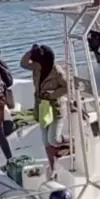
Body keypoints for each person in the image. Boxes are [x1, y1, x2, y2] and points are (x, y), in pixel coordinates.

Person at [20, 44, 68, 179]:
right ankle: (54, 168)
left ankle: (70, 141)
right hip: (41, 107)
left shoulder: (57, 71)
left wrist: (52, 94)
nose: (35, 64)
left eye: (37, 62)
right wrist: (32, 51)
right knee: (45, 141)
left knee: (53, 140)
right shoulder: (35, 67)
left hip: (55, 108)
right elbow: (23, 63)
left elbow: (67, 87)